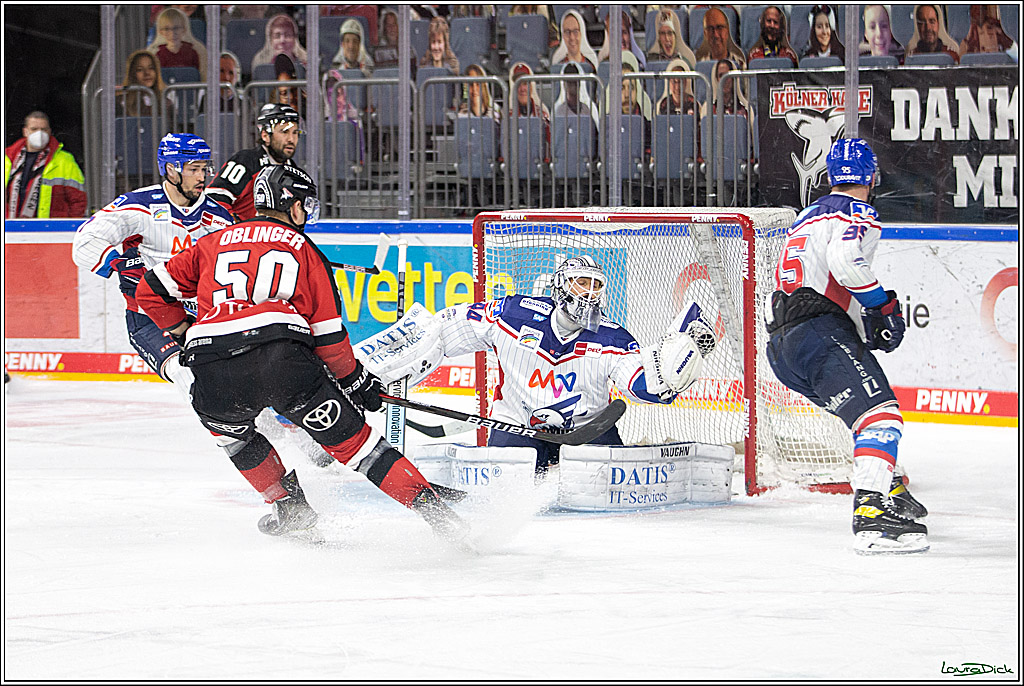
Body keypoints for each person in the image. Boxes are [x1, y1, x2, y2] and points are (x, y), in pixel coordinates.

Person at [133, 164, 468, 543]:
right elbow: (329, 339)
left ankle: (287, 505)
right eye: (305, 206)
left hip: (213, 369)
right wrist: (356, 383)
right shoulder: (304, 250)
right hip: (282, 364)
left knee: (234, 437)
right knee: (357, 446)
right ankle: (439, 515)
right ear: (293, 206)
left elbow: (149, 291)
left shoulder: (211, 243)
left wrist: (183, 332)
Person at [765, 138, 929, 555]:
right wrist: (882, 306)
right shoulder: (858, 212)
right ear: (872, 176)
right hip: (817, 334)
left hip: (783, 347)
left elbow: (816, 282)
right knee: (881, 417)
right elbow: (844, 262)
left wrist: (862, 326)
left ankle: (888, 486)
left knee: (862, 416)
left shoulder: (805, 217)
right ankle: (871, 513)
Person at [418, 255, 712, 473]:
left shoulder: (613, 338)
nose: (589, 292)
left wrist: (672, 371)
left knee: (606, 491)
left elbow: (640, 386)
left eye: (596, 286)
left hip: (588, 430)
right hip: (518, 426)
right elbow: (444, 331)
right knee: (505, 490)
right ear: (560, 285)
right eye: (581, 282)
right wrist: (410, 351)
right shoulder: (512, 314)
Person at [71, 133, 233, 400]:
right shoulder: (139, 205)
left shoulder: (219, 217)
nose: (202, 177)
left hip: (202, 318)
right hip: (150, 317)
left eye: (204, 168)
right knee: (185, 373)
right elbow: (85, 241)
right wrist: (119, 264)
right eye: (193, 169)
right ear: (171, 169)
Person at [206, 103, 301, 221]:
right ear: (265, 135)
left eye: (295, 132)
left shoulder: (293, 169)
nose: (291, 139)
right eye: (284, 132)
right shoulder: (246, 161)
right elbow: (214, 199)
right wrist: (235, 226)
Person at [5, 111, 87, 219]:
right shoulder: (8, 159)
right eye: (34, 129)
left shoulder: (64, 160)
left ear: (50, 132)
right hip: (10, 226)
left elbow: (78, 200)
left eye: (44, 129)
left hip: (50, 227)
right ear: (25, 131)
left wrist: (67, 226)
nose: (39, 134)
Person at [147, 7, 207, 77]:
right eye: (166, 29)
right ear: (161, 32)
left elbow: (202, 77)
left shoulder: (195, 52)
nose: (172, 33)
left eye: (176, 28)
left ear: (184, 29)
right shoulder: (156, 54)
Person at [119, 50, 175, 119]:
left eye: (151, 68)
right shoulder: (121, 103)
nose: (147, 73)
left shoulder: (167, 104)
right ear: (132, 74)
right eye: (140, 69)